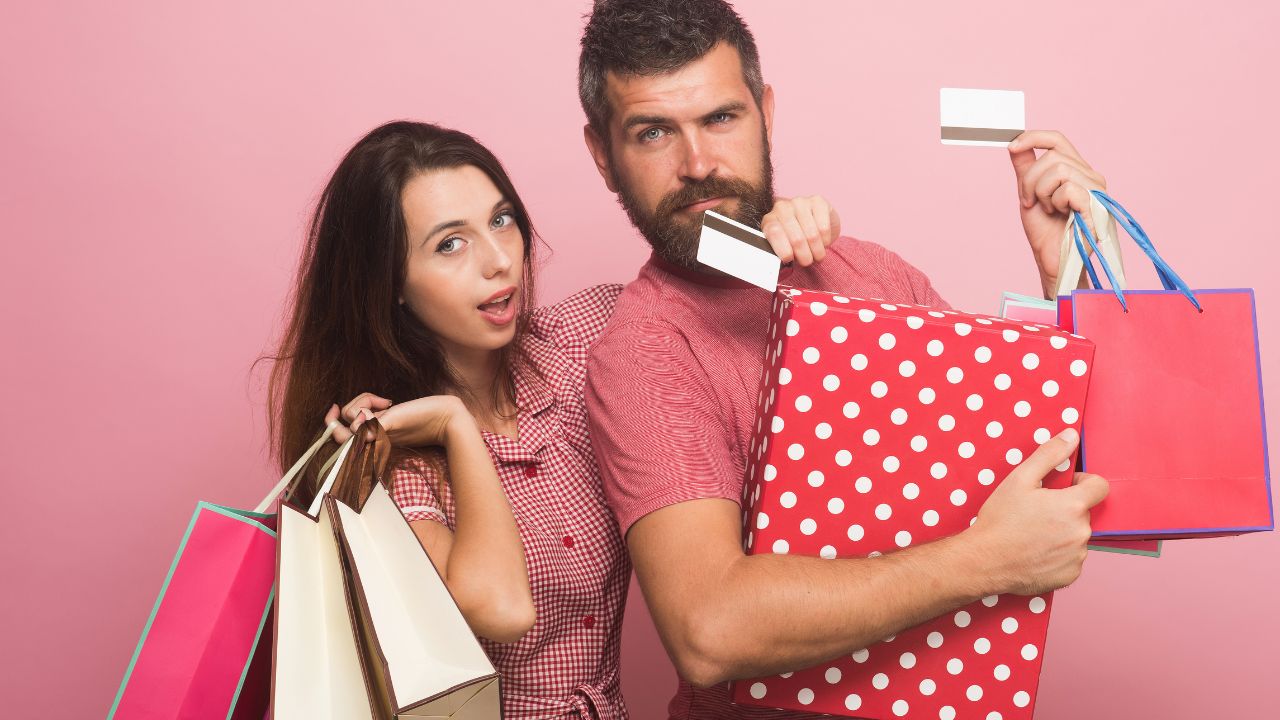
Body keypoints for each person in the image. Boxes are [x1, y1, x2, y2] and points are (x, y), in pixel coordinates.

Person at [577, 1, 1112, 717]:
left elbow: (1053, 478)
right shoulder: (642, 351)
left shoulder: (874, 276)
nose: (698, 164)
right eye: (652, 133)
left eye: (722, 118)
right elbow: (710, 630)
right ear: (604, 157)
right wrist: (986, 560)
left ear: (765, 111)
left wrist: (1070, 277)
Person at [270, 120, 841, 719]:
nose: (497, 261)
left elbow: (712, 286)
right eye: (449, 244)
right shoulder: (398, 460)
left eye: (501, 220)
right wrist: (456, 428)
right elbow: (504, 609)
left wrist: (778, 223)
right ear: (391, 285)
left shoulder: (587, 338)